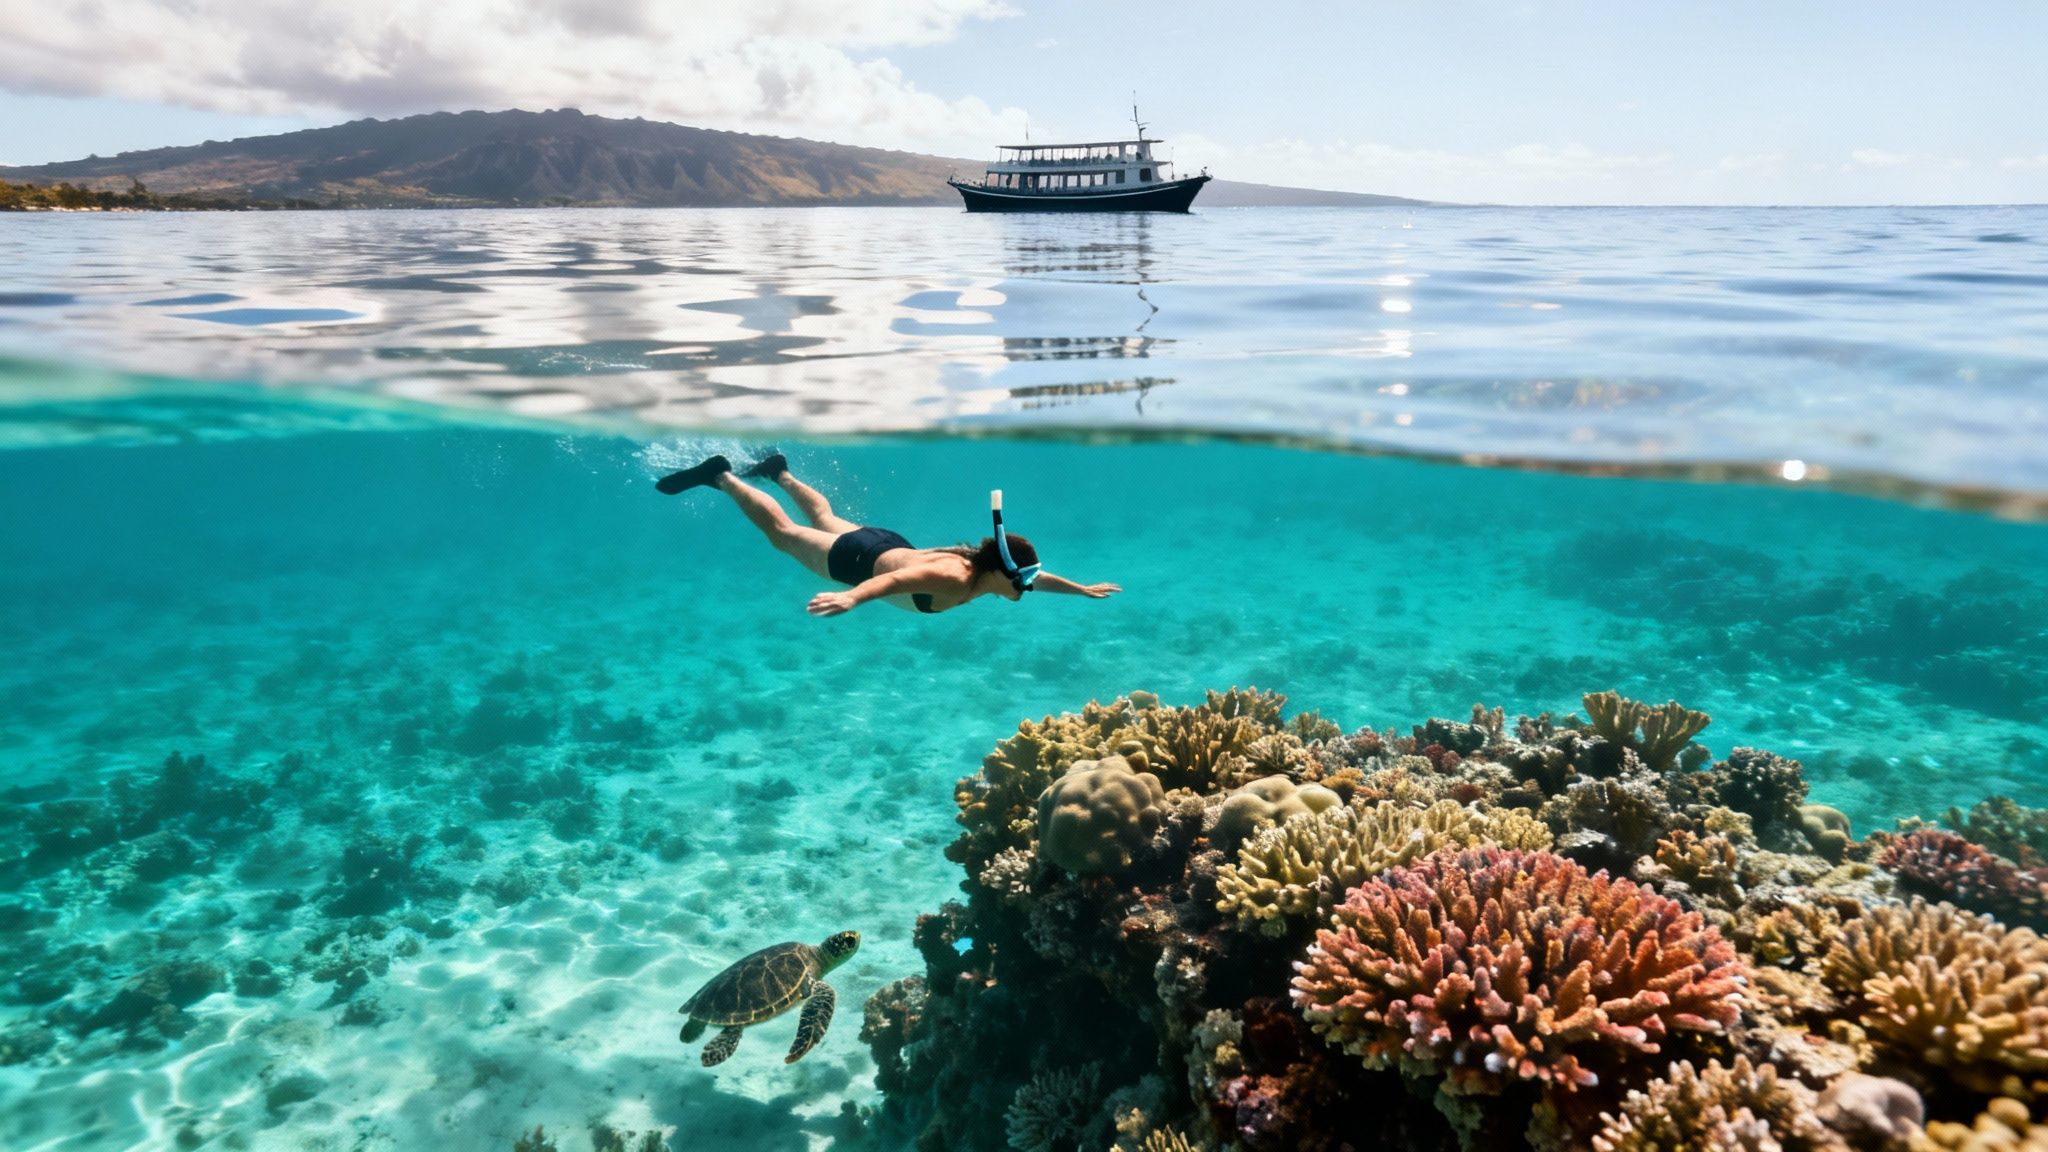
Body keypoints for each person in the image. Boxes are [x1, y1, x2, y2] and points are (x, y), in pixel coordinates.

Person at [657, 452, 1121, 617]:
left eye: (1027, 579)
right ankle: (721, 476)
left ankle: (779, 472)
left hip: (885, 541)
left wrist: (1081, 590)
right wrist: (852, 598)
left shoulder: (982, 567)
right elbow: (894, 584)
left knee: (825, 517)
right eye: (1022, 579)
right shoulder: (957, 581)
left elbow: (1038, 577)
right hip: (860, 561)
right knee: (783, 534)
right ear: (1001, 573)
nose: (1027, 587)